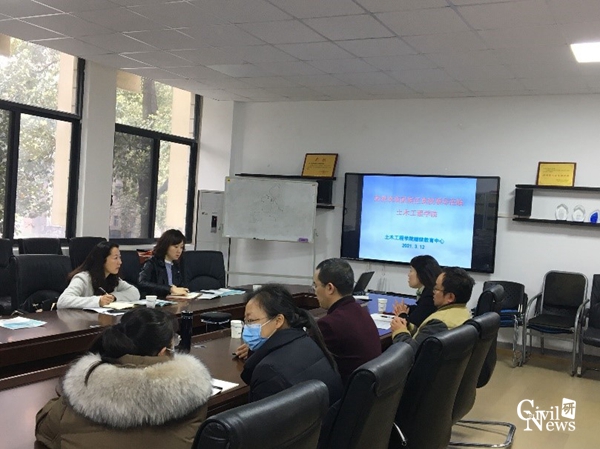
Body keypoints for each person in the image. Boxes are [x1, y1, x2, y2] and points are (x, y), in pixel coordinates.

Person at [35, 308, 213, 449]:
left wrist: (67, 395)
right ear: (162, 352)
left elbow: (44, 430)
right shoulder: (191, 392)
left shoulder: (84, 387)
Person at [234, 284, 343, 405]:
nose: (247, 327)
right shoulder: (308, 341)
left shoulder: (268, 371)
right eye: (245, 321)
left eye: (251, 321)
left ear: (278, 321)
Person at [312, 258, 381, 384]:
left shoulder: (329, 325)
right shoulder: (361, 311)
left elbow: (307, 362)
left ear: (330, 288)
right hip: (369, 389)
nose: (314, 291)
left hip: (346, 392)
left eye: (316, 285)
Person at [391, 267, 475, 352]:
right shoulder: (464, 312)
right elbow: (424, 335)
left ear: (450, 297)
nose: (433, 292)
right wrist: (408, 326)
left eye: (436, 288)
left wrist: (399, 331)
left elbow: (410, 352)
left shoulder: (439, 323)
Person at [57, 241, 140, 309]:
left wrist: (113, 297)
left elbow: (135, 293)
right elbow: (62, 301)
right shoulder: (83, 278)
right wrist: (98, 301)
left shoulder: (112, 278)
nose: (120, 262)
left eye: (119, 257)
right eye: (115, 258)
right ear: (102, 260)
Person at [393, 255, 441, 327]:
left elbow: (412, 325)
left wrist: (402, 314)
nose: (408, 275)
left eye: (411, 271)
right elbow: (422, 310)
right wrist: (408, 309)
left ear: (421, 273)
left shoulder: (430, 296)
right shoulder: (428, 291)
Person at [139, 229, 188, 297]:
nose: (179, 251)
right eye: (176, 247)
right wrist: (169, 289)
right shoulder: (152, 263)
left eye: (181, 247)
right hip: (157, 300)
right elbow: (142, 283)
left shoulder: (176, 265)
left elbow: (180, 285)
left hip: (174, 299)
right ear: (166, 246)